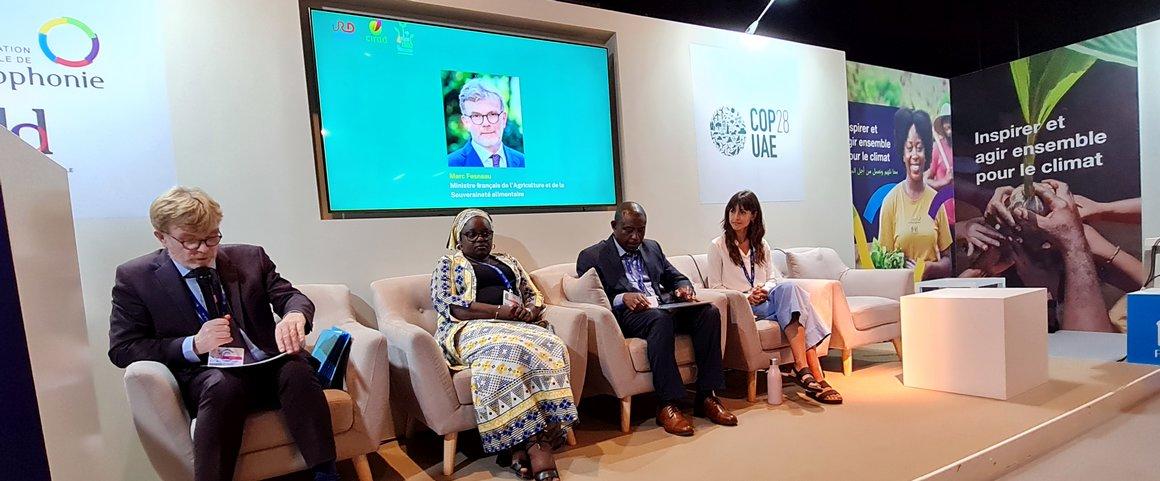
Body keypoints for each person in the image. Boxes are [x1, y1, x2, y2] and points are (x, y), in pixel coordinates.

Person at [108, 187, 339, 481]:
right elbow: (123, 348)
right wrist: (193, 344)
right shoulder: (136, 277)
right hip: (207, 374)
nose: (203, 249)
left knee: (296, 368)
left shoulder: (250, 258)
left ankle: (326, 474)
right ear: (161, 236)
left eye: (211, 237)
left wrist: (294, 315)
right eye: (190, 241)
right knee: (222, 384)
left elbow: (291, 297)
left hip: (265, 365)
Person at [430, 209, 576, 481]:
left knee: (551, 343)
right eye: (471, 234)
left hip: (518, 326)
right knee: (507, 351)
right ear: (458, 239)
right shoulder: (448, 264)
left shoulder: (508, 260)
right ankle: (537, 444)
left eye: (485, 233)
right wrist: (500, 312)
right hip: (469, 328)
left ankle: (516, 446)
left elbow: (533, 294)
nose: (479, 239)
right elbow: (452, 306)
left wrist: (530, 312)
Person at [576, 201, 737, 437]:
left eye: (640, 230)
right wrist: (623, 297)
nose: (635, 236)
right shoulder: (593, 256)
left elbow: (676, 277)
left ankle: (706, 396)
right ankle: (667, 403)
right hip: (628, 316)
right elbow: (593, 297)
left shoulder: (652, 248)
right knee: (659, 320)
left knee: (709, 313)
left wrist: (683, 288)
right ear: (614, 226)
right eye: (628, 230)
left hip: (661, 307)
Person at [705, 191, 842, 404]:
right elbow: (715, 287)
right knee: (800, 304)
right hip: (741, 306)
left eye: (742, 212)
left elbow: (771, 278)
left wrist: (764, 290)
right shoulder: (718, 246)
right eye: (732, 211)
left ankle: (802, 368)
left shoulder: (761, 245)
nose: (735, 217)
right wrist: (747, 296)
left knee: (789, 290)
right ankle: (813, 372)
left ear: (754, 215)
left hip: (765, 301)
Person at [878, 108, 953, 279]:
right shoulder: (891, 201)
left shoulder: (936, 200)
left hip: (932, 292)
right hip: (902, 295)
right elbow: (882, 265)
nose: (914, 155)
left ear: (926, 153)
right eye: (909, 148)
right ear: (903, 154)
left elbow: (948, 262)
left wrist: (928, 268)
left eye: (919, 148)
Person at [446, 78, 526, 168]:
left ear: (503, 119)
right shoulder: (450, 164)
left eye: (492, 114)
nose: (486, 123)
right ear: (466, 123)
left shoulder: (523, 162)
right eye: (476, 116)